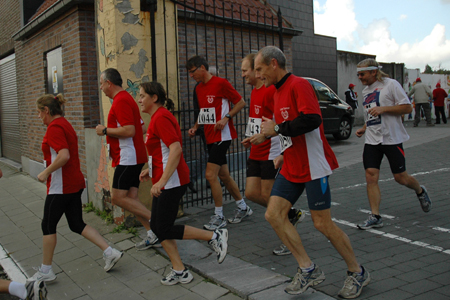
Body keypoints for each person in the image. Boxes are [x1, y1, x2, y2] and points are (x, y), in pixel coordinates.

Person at [256, 46, 369, 299]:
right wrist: (282, 152)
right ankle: (308, 269)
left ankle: (357, 271)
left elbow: (312, 120)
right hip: (291, 165)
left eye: (260, 69)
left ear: (274, 64)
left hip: (313, 166)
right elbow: (288, 129)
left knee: (322, 224)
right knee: (274, 215)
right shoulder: (276, 92)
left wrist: (275, 128)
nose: (258, 75)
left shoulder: (299, 85)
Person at [138, 82, 228, 285]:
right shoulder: (157, 117)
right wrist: (150, 171)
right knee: (158, 226)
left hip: (171, 181)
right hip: (164, 179)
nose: (139, 100)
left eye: (142, 96)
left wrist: (161, 180)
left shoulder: (161, 117)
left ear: (154, 98)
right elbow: (162, 151)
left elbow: (176, 149)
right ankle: (179, 270)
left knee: (163, 227)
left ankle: (214, 236)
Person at [30, 94, 123, 282]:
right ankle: (109, 251)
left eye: (39, 113)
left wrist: (45, 172)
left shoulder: (54, 127)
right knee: (76, 224)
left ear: (46, 111)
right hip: (74, 183)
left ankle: (46, 270)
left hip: (61, 186)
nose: (39, 117)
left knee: (47, 225)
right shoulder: (64, 123)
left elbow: (63, 155)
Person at [355, 58, 432, 230]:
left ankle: (420, 190)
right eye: (358, 74)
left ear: (374, 72)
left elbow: (407, 108)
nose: (359, 77)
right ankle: (375, 216)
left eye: (362, 74)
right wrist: (364, 127)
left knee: (400, 178)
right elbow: (372, 113)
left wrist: (384, 109)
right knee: (370, 175)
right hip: (372, 140)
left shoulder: (391, 85)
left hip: (392, 138)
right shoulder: (366, 91)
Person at [240, 53, 304, 256]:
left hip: (270, 149)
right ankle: (290, 213)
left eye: (246, 70)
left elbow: (278, 122)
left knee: (270, 197)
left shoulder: (269, 91)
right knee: (251, 193)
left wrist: (272, 141)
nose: (244, 75)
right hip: (256, 148)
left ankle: (288, 234)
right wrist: (251, 136)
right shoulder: (254, 93)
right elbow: (258, 121)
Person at [95, 68, 159, 250]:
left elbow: (130, 130)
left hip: (127, 157)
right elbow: (141, 127)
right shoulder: (127, 99)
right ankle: (152, 232)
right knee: (131, 197)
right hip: (132, 155)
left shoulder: (121, 100)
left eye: (101, 83)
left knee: (117, 198)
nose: (101, 87)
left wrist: (105, 130)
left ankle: (159, 224)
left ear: (109, 83)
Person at [186, 56, 250, 230]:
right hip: (209, 136)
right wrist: (195, 127)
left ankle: (219, 215)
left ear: (202, 68)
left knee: (209, 175)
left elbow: (241, 102)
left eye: (192, 72)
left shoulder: (221, 83)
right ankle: (243, 206)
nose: (191, 76)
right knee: (224, 175)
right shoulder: (199, 88)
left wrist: (226, 118)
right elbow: (204, 112)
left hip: (223, 136)